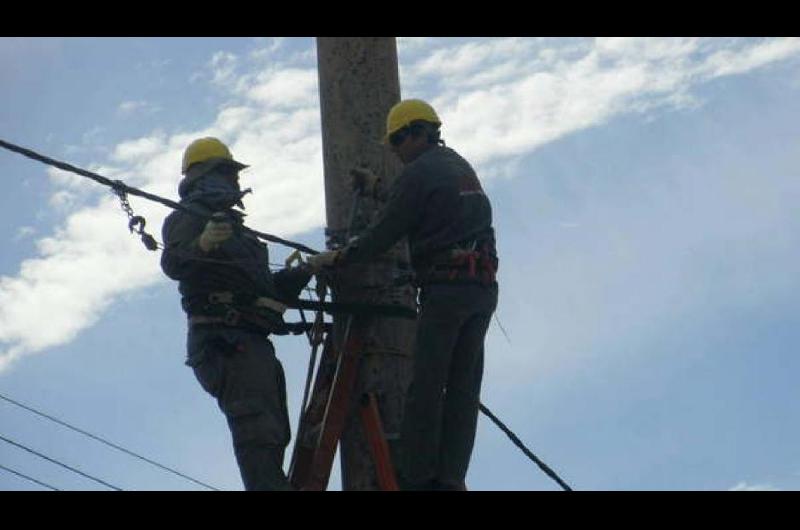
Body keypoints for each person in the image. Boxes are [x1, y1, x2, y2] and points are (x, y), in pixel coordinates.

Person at [308, 99, 499, 491]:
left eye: (396, 142)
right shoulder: (459, 166)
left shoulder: (419, 173)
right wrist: (380, 190)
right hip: (481, 290)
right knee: (463, 390)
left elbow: (385, 232)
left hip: (445, 292)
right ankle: (450, 478)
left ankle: (416, 475)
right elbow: (421, 205)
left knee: (426, 386)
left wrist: (341, 257)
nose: (395, 151)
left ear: (414, 134)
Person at [160, 137, 312, 491]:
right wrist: (203, 243)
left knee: (274, 431)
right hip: (224, 341)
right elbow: (173, 262)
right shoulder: (189, 217)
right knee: (257, 430)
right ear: (202, 175)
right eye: (227, 172)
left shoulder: (239, 233)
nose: (235, 181)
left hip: (249, 340)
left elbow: (266, 292)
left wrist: (307, 270)